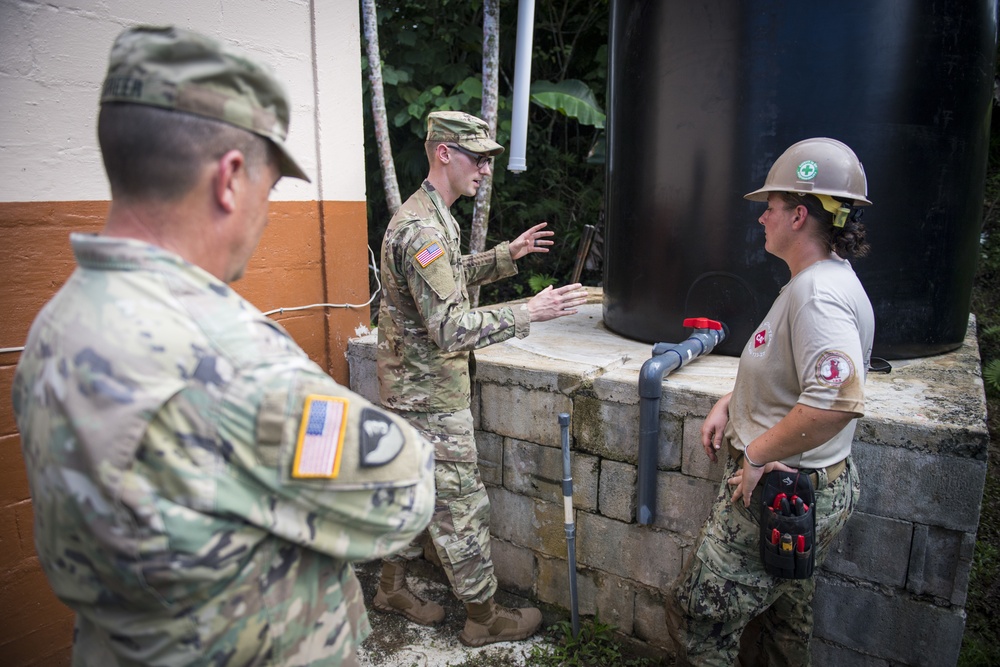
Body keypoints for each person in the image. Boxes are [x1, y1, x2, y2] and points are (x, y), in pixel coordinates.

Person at [11, 25, 435, 667]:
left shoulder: (58, 322)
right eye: (268, 189)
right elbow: (405, 490)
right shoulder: (225, 357)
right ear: (231, 178)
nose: (265, 214)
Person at [373, 110, 589, 646]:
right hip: (430, 402)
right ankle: (484, 618)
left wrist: (503, 257)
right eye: (478, 157)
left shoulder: (430, 215)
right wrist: (528, 313)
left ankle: (390, 586)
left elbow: (448, 276)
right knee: (462, 509)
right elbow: (448, 327)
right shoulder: (422, 228)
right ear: (444, 153)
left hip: (412, 393)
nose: (486, 169)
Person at [666, 138, 875, 666]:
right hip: (808, 483)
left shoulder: (818, 294)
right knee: (785, 616)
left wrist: (755, 454)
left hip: (783, 487)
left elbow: (833, 402)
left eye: (771, 208)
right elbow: (793, 373)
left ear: (800, 215)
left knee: (697, 615)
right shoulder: (819, 281)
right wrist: (732, 400)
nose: (762, 219)